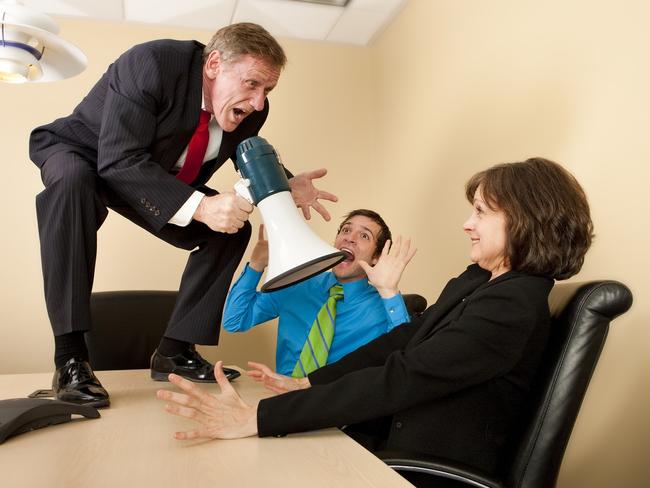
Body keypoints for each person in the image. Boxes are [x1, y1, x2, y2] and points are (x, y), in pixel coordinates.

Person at [156, 157, 593, 476]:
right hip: (379, 432)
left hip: (423, 463)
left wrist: (258, 419)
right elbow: (405, 340)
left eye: (480, 211)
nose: (466, 224)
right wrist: (310, 382)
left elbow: (403, 374)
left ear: (524, 220)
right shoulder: (480, 281)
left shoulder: (512, 305)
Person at [29, 22, 337, 408]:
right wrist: (204, 206)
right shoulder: (152, 64)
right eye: (252, 84)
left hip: (148, 173)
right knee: (72, 182)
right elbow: (119, 160)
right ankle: (70, 357)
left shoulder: (251, 111)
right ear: (213, 66)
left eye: (267, 90)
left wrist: (284, 183)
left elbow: (247, 158)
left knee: (230, 231)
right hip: (85, 153)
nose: (259, 102)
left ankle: (174, 351)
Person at [223, 209, 417, 376]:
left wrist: (389, 290)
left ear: (376, 257)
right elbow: (235, 321)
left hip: (340, 408)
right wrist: (256, 265)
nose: (350, 238)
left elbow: (403, 362)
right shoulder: (298, 282)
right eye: (346, 230)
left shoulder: (383, 305)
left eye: (364, 235)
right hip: (281, 398)